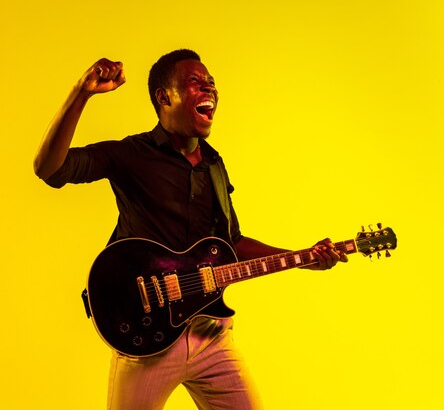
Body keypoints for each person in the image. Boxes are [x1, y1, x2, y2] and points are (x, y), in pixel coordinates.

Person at [34, 49, 347, 410]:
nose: (209, 88)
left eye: (211, 82)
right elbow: (50, 169)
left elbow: (230, 243)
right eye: (195, 83)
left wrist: (302, 258)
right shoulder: (131, 154)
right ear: (164, 97)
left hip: (210, 336)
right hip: (147, 339)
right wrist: (81, 93)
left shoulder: (214, 164)